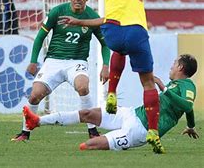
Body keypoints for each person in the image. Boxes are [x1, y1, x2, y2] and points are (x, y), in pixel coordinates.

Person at [58, 0, 163, 153]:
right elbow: (106, 16)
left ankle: (112, 92)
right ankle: (153, 130)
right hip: (137, 32)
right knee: (147, 83)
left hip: (115, 31)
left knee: (118, 48)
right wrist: (80, 22)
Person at [23, 54, 198, 154]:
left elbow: (187, 107)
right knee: (87, 114)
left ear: (181, 68)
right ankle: (36, 121)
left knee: (90, 145)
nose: (171, 65)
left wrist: (163, 89)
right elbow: (188, 112)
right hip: (132, 114)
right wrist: (190, 126)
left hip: (140, 131)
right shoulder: (175, 85)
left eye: (175, 63)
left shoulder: (187, 85)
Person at [11, 0, 110, 142]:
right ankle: (24, 132)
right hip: (53, 61)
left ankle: (93, 131)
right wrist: (33, 60)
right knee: (35, 95)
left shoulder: (92, 17)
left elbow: (105, 44)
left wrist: (106, 65)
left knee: (83, 87)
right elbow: (40, 37)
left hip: (77, 62)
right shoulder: (57, 12)